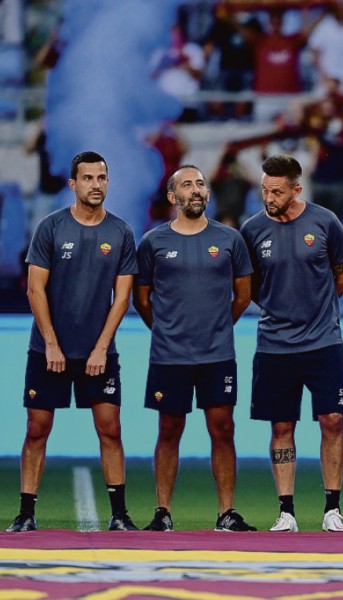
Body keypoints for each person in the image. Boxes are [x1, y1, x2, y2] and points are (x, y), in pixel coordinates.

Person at [7, 151, 139, 533]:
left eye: (102, 178)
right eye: (88, 178)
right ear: (73, 184)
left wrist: (101, 347)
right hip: (48, 349)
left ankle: (119, 514)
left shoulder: (121, 232)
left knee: (110, 428)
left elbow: (123, 298)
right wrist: (51, 343)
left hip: (97, 351)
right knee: (37, 428)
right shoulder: (50, 228)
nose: (96, 185)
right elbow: (35, 289)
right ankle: (26, 513)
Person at [134, 165, 256, 533]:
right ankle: (162, 512)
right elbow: (142, 300)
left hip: (217, 354)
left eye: (201, 184)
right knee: (169, 429)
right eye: (187, 185)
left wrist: (216, 327)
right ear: (173, 197)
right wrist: (167, 329)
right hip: (169, 355)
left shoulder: (231, 239)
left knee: (223, 429)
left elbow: (244, 296)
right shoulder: (153, 242)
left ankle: (226, 513)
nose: (196, 190)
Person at [240, 155, 343, 533]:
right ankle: (286, 511)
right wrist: (279, 305)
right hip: (274, 345)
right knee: (281, 426)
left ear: (296, 189)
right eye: (264, 189)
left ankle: (332, 509)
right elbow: (249, 286)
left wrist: (314, 307)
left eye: (276, 191)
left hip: (323, 342)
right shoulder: (252, 230)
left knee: (332, 420)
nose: (268, 197)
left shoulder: (324, 222)